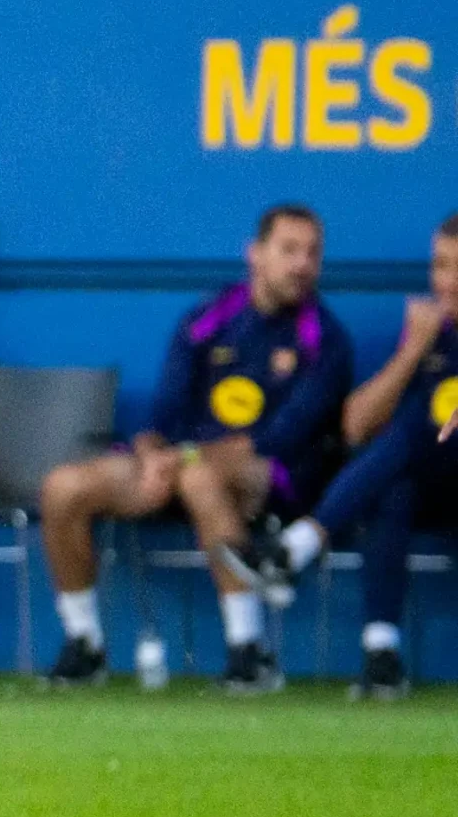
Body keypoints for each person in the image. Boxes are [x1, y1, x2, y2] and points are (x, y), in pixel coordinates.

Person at [35, 205, 351, 694]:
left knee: (198, 476)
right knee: (63, 487)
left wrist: (181, 459)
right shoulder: (208, 319)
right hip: (176, 464)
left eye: (313, 253)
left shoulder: (325, 339)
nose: (301, 264)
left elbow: (283, 435)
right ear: (256, 254)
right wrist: (153, 454)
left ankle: (249, 652)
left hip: (273, 477)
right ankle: (84, 643)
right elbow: (164, 415)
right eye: (289, 250)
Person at [245, 215, 458, 698]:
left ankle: (296, 545)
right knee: (393, 486)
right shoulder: (431, 335)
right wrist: (412, 352)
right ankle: (382, 654)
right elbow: (356, 426)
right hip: (436, 487)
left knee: (416, 430)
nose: (449, 282)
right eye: (442, 266)